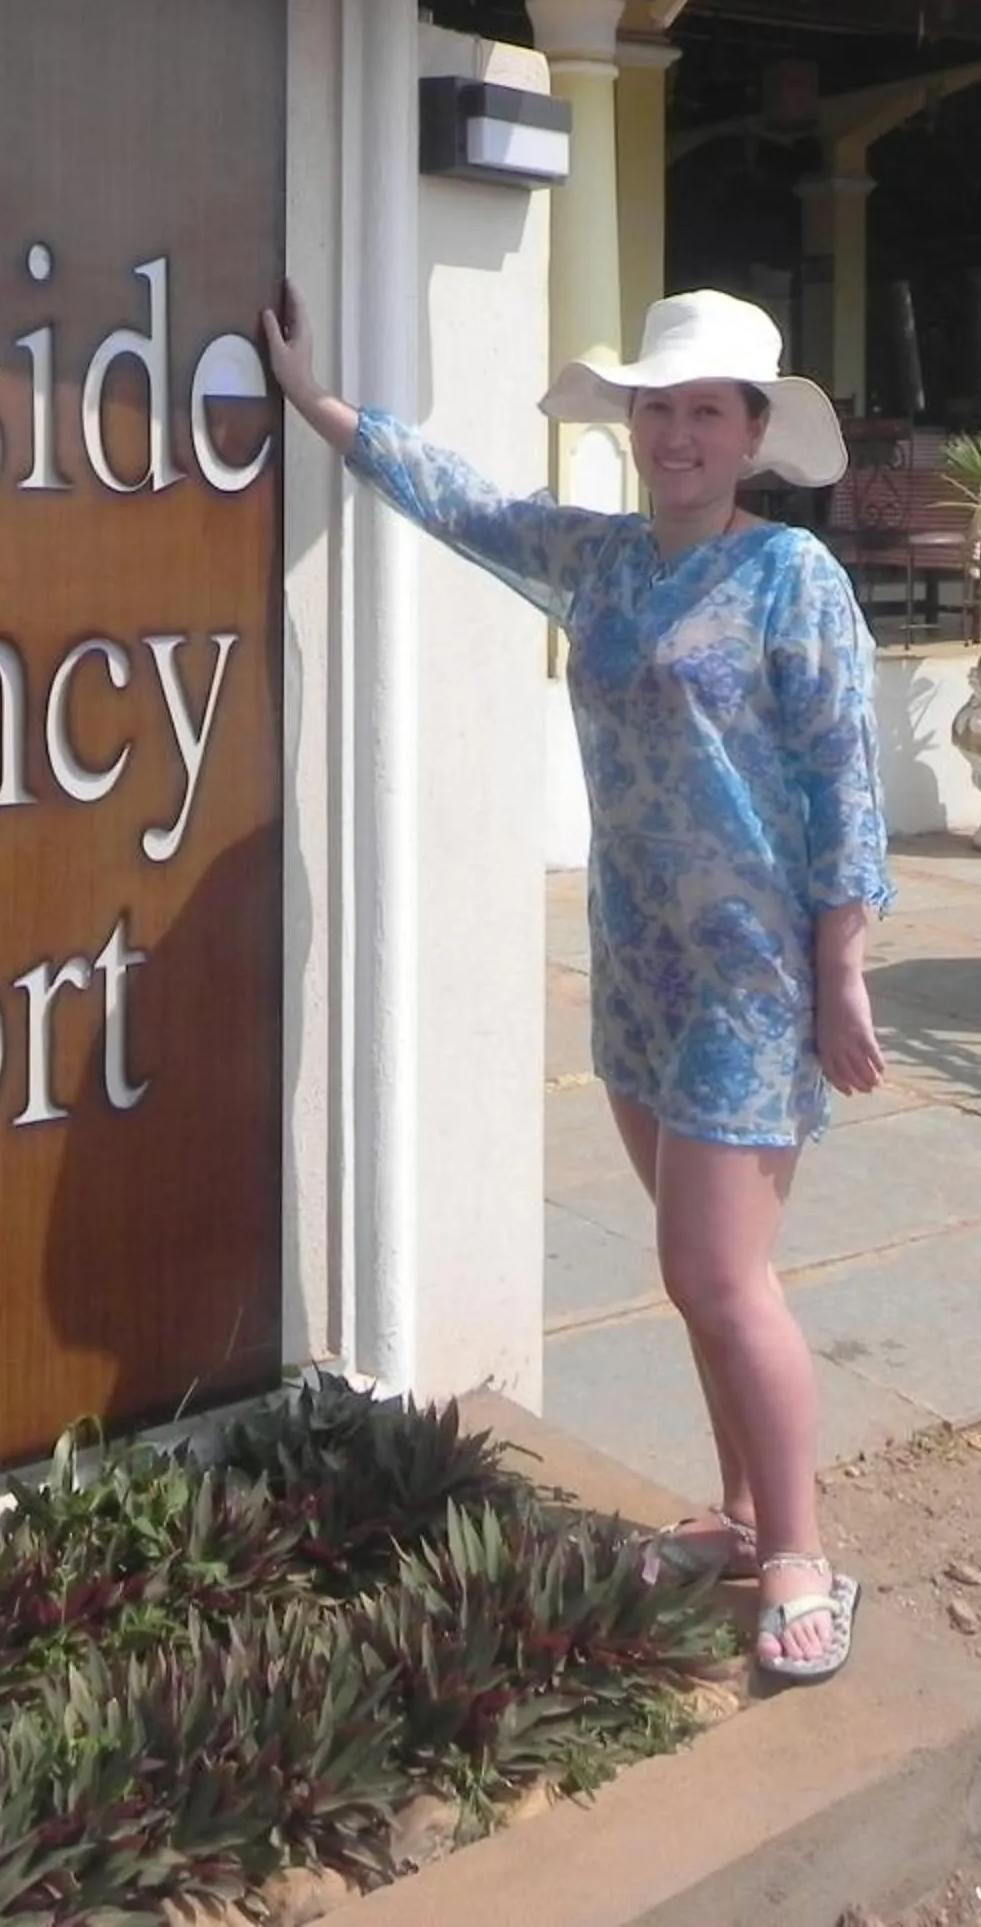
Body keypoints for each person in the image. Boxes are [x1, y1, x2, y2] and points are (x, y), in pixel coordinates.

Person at [261, 282, 893, 1682]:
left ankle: (799, 1551)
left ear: (748, 435)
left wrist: (840, 964)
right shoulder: (602, 560)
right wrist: (319, 405)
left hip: (749, 975)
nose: (675, 434)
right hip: (639, 963)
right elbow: (464, 503)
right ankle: (736, 1516)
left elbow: (844, 774)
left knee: (718, 1273)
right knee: (702, 1281)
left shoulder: (790, 576)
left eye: (702, 413)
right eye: (656, 409)